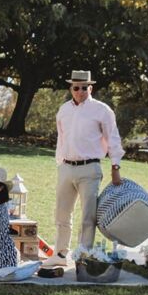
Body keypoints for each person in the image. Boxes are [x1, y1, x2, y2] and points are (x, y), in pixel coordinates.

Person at [42, 70, 124, 268]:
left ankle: (83, 256)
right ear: (71, 88)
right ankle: (60, 254)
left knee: (88, 215)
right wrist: (60, 163)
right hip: (66, 167)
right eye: (76, 87)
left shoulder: (102, 110)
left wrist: (115, 167)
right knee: (62, 214)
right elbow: (61, 139)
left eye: (84, 88)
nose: (80, 91)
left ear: (90, 88)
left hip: (90, 168)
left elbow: (113, 139)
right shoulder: (63, 110)